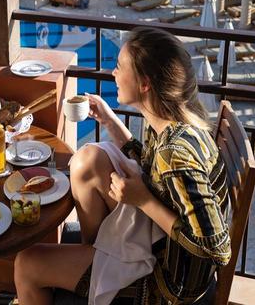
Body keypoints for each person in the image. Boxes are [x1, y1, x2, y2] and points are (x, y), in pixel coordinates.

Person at [14, 27, 231, 304]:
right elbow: (159, 175)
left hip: (168, 285)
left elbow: (216, 248)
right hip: (161, 246)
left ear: (144, 84)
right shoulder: (174, 125)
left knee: (27, 263)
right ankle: (89, 262)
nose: (113, 74)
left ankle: (83, 272)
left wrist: (142, 201)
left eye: (119, 67)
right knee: (89, 160)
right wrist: (109, 122)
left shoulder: (176, 153)